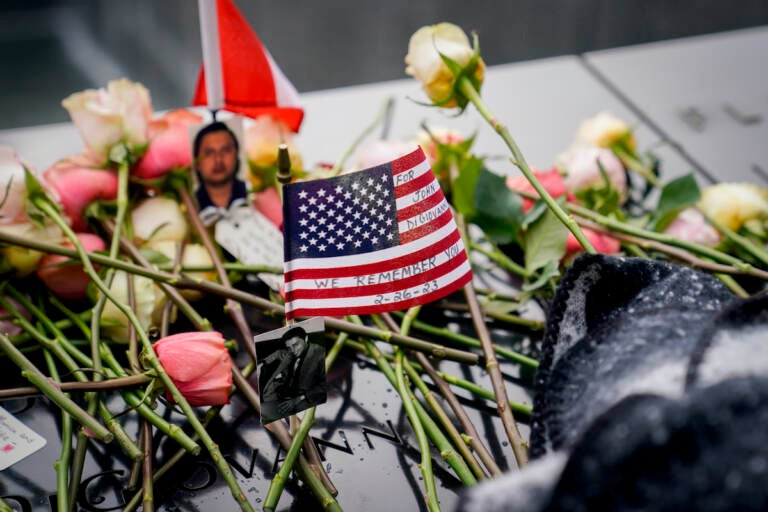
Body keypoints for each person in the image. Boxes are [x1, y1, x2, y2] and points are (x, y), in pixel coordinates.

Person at [259, 325, 326, 422]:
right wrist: (265, 362)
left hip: (307, 400)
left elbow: (324, 386)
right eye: (289, 347)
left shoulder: (321, 355)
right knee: (261, 409)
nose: (293, 350)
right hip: (284, 396)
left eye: (296, 345)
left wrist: (298, 399)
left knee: (264, 413)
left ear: (306, 338)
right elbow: (280, 353)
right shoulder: (290, 352)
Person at [193, 121, 248, 214]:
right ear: (197, 164)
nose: (218, 160)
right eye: (209, 153)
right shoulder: (190, 206)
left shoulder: (255, 197)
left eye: (225, 150)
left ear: (237, 156)